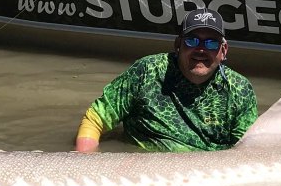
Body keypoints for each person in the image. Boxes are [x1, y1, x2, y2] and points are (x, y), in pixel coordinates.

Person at [74, 8, 258, 153]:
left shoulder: (239, 89)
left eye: (211, 43)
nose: (201, 50)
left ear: (224, 50)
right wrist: (85, 161)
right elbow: (95, 119)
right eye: (192, 41)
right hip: (138, 169)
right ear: (178, 44)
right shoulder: (147, 70)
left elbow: (247, 149)